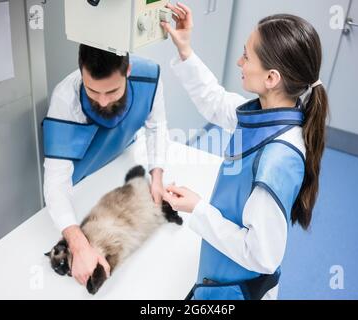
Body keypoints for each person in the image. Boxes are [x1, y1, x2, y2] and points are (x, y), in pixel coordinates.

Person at [161, 3, 329, 300]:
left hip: (237, 291)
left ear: (271, 78)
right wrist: (185, 48)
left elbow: (262, 255)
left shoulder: (278, 159)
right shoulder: (273, 115)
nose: (240, 62)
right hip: (223, 274)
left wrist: (198, 208)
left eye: (247, 55)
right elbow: (215, 101)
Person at [42, 44, 168, 286]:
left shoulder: (150, 77)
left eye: (112, 91)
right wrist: (78, 245)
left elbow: (157, 127)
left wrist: (157, 176)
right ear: (81, 73)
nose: (102, 100)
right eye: (92, 91)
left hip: (119, 167)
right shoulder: (65, 97)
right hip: (80, 188)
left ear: (128, 71)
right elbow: (56, 181)